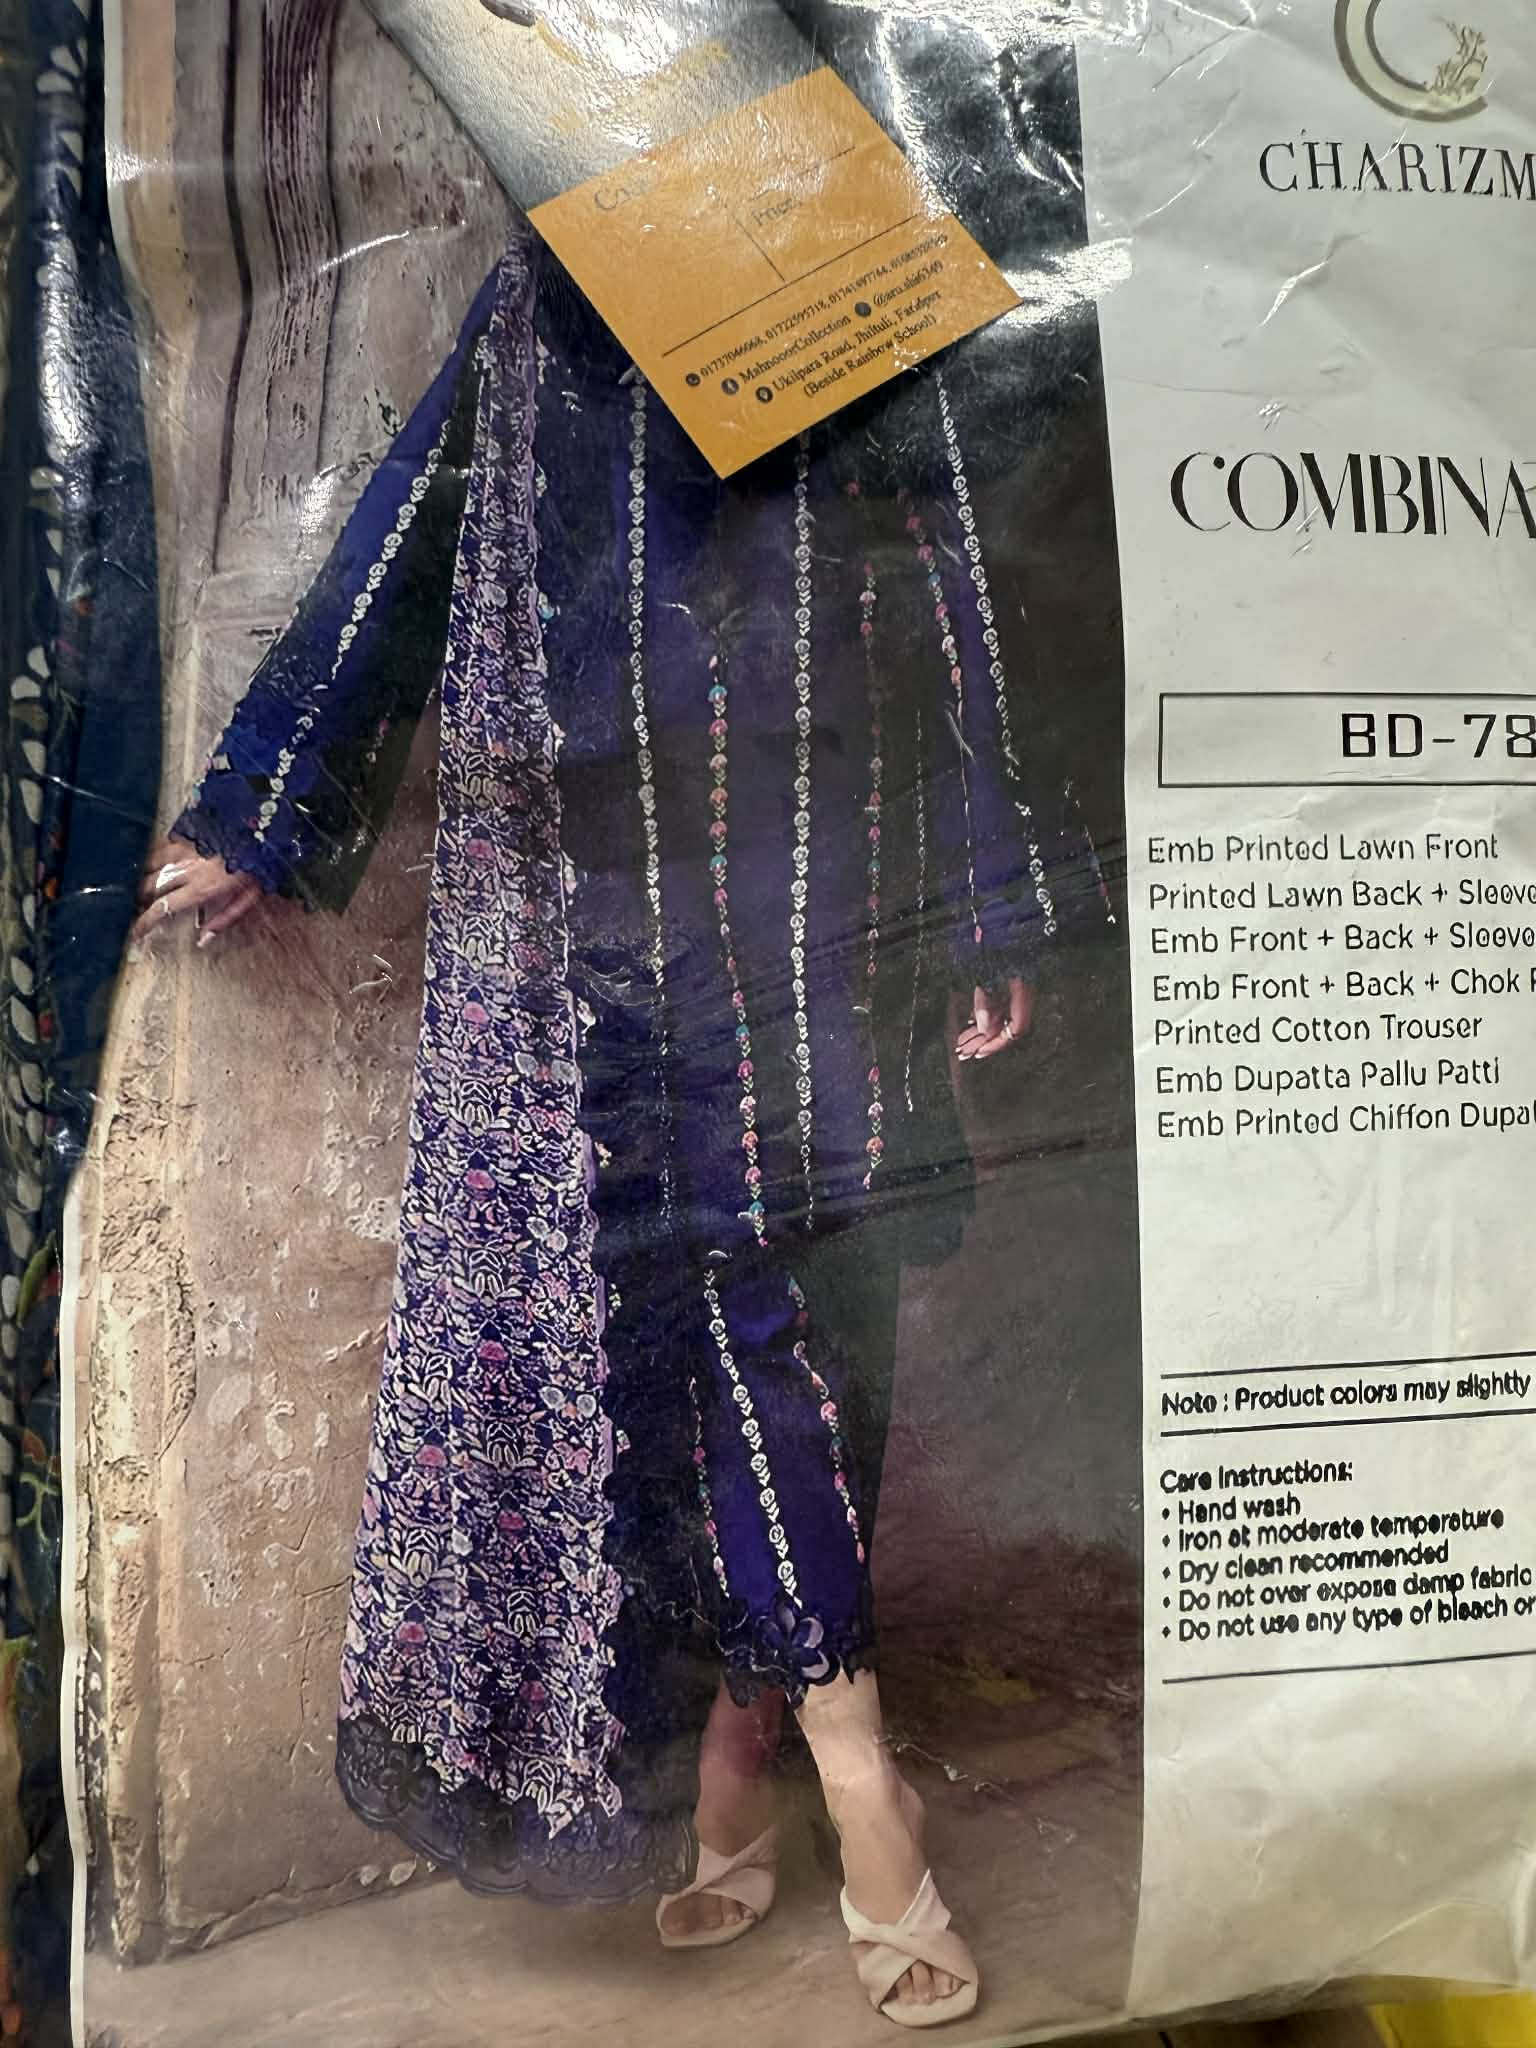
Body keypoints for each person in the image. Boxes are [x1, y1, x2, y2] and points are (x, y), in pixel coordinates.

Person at [133, 11, 1103, 2027]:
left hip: (832, 890)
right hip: (607, 917)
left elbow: (947, 582)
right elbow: (407, 550)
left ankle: (754, 1742)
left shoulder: (840, 256)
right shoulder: (548, 305)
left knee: (823, 1305)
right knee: (735, 1304)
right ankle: (851, 1764)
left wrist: (986, 897)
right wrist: (261, 811)